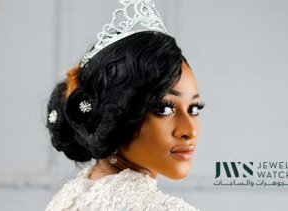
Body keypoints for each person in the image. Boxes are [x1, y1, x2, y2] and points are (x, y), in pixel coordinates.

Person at [45, 0, 205, 210]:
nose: (190, 131)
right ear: (116, 112)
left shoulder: (66, 199)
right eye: (164, 108)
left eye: (194, 109)